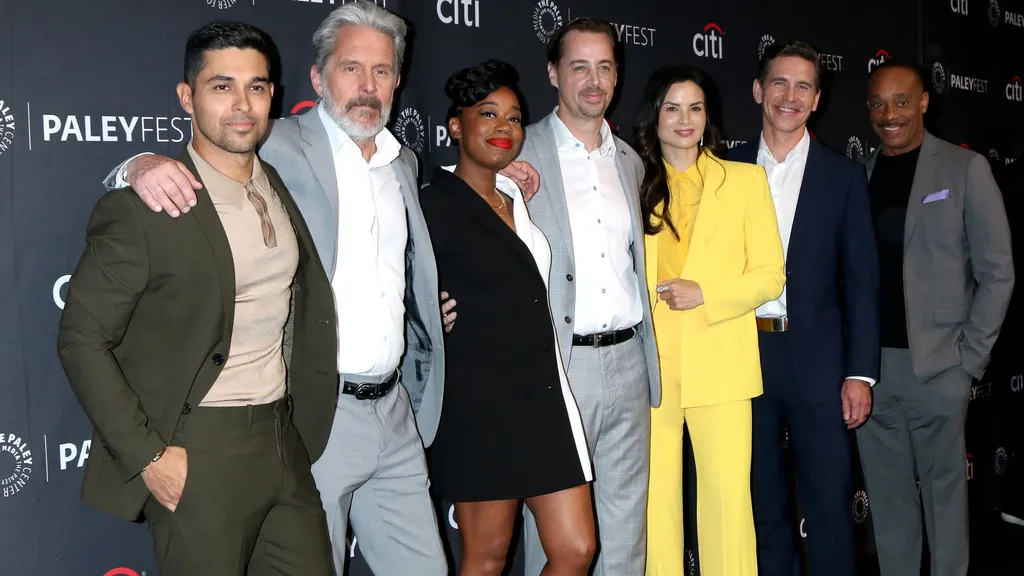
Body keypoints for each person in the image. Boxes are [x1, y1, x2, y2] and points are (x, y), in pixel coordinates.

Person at [97, 2, 538, 573]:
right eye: (351, 68)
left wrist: (501, 181)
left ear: (397, 81)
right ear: (317, 77)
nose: (367, 85)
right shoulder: (275, 142)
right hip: (315, 413)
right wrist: (137, 165)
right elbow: (199, 157)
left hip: (395, 411)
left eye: (381, 70)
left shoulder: (402, 164)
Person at [57, 21, 335, 575]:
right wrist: (149, 457)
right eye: (221, 86)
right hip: (200, 447)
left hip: (282, 438)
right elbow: (80, 339)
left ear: (273, 95)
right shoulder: (148, 205)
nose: (242, 105)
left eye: (256, 87)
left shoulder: (275, 182)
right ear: (187, 97)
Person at [420, 59, 596, 576]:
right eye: (488, 113)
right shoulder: (431, 204)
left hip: (543, 397)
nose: (504, 127)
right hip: (479, 405)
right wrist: (428, 315)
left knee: (576, 549)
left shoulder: (516, 194)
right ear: (456, 126)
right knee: (487, 557)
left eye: (515, 117)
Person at [512, 18, 662, 576]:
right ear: (553, 73)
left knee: (626, 530)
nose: (594, 81)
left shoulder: (630, 161)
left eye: (604, 67)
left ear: (617, 76)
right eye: (579, 67)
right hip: (559, 364)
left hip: (629, 362)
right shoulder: (517, 152)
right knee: (557, 540)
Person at [728, 41, 880, 576]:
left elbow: (862, 284)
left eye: (803, 86)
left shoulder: (842, 176)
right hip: (742, 357)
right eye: (779, 82)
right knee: (760, 502)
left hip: (818, 363)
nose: (789, 96)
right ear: (758, 90)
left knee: (830, 503)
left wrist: (860, 373)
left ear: (817, 99)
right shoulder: (722, 169)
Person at [859, 61, 1014, 576]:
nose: (889, 114)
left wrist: (969, 360)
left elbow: (997, 271)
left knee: (946, 505)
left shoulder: (965, 169)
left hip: (940, 366)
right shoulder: (859, 174)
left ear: (924, 101)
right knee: (889, 505)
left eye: (902, 101)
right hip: (870, 371)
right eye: (878, 103)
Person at [637, 65, 786, 576]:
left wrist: (707, 294)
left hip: (721, 362)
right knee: (655, 506)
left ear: (708, 116)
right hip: (651, 365)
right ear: (655, 115)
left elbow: (770, 276)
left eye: (695, 108)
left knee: (727, 504)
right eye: (672, 107)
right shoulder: (631, 179)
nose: (685, 119)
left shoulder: (744, 180)